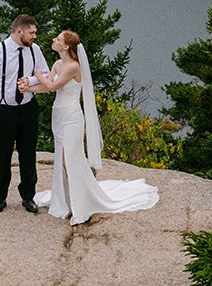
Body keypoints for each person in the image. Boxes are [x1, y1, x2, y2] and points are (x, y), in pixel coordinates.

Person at [26, 30, 159, 225]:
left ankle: (81, 205)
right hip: (59, 115)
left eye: (58, 39)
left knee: (69, 159)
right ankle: (67, 202)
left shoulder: (73, 66)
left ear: (65, 46)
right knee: (62, 159)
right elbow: (47, 87)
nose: (54, 40)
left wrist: (36, 73)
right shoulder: (57, 64)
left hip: (72, 117)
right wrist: (28, 88)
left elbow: (53, 86)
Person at [0, 14, 50, 213]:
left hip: (28, 109)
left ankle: (28, 196)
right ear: (20, 31)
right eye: (32, 32)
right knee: (2, 156)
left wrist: (30, 80)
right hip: (3, 112)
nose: (34, 36)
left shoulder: (35, 50)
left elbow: (45, 73)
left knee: (28, 155)